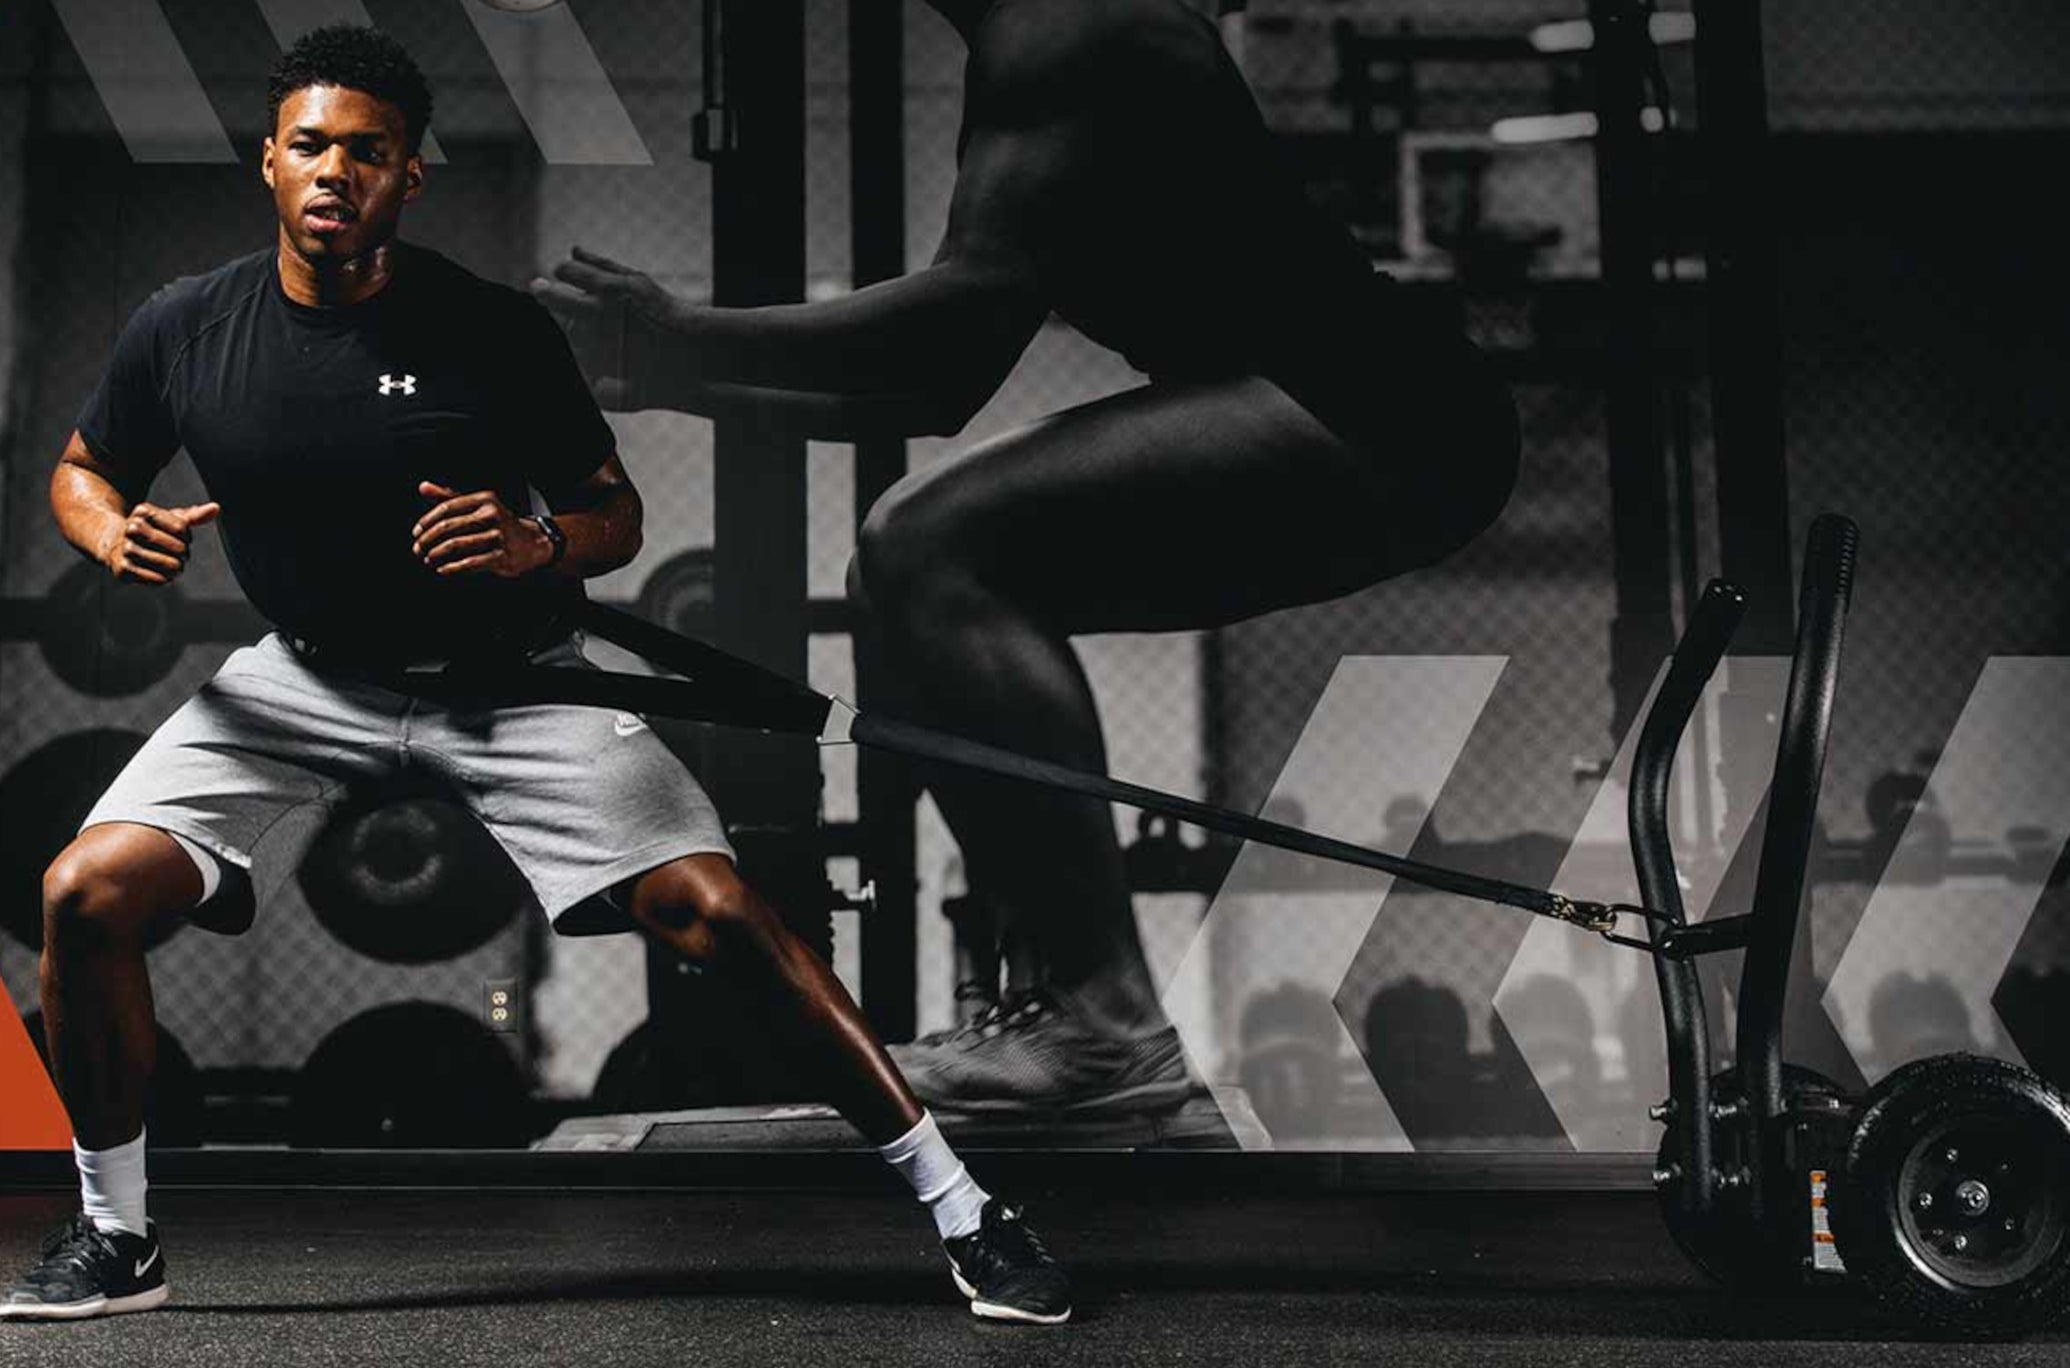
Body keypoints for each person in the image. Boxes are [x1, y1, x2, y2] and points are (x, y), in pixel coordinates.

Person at [0, 24, 1067, 1327]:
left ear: (409, 179)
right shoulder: (183, 330)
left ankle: (967, 1210)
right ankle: (118, 1240)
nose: (336, 173)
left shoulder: (488, 332)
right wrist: (110, 528)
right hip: (302, 682)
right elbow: (80, 466)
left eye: (369, 153)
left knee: (721, 917)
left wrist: (538, 541)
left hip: (512, 682)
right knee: (86, 892)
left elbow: (609, 512)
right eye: (311, 146)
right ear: (268, 163)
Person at [533, 0, 1521, 1115]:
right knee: (912, 573)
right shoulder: (1034, 48)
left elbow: (954, 319)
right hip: (1372, 416)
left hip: (1383, 408)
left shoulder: (1071, 28)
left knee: (928, 543)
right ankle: (1060, 1007)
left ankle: (1102, 1018)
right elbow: (932, 391)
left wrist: (679, 331)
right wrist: (668, 381)